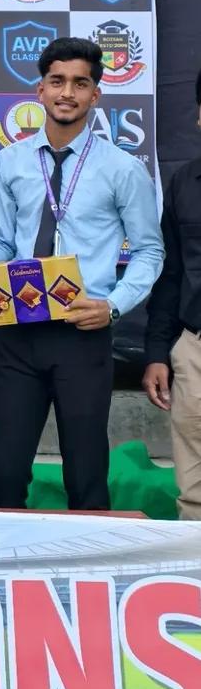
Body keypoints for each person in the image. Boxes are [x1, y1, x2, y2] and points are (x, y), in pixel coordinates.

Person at [0, 37, 164, 510]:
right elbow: (0, 245)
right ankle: (2, 579)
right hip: (16, 334)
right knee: (5, 474)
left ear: (95, 95)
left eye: (80, 84)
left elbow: (149, 251)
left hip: (82, 333)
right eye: (57, 81)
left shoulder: (122, 169)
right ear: (39, 90)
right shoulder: (12, 160)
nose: (67, 93)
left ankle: (91, 581)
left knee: (86, 474)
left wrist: (113, 306)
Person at [142, 66, 201, 519]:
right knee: (195, 492)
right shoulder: (184, 183)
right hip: (195, 350)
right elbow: (171, 273)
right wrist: (160, 352)